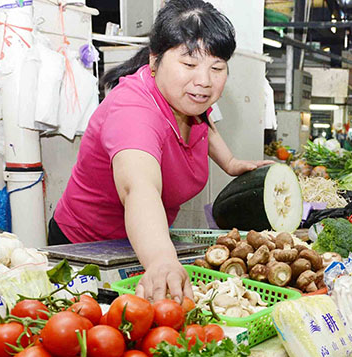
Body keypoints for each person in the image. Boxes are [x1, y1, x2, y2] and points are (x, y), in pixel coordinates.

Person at [49, 0, 268, 302]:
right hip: (85, 252)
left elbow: (205, 125)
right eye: (189, 65)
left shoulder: (190, 100)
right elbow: (139, 188)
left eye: (217, 67)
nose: (204, 81)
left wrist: (229, 162)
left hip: (142, 243)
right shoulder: (133, 110)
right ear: (155, 61)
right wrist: (161, 260)